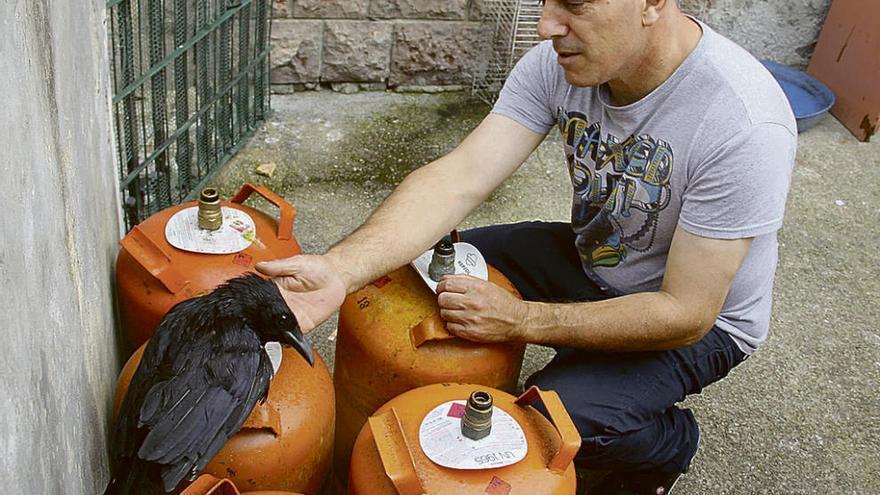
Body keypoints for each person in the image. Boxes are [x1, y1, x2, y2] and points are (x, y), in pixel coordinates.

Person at [257, 0, 797, 493]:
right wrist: (341, 268)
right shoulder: (558, 62)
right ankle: (583, 357)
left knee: (544, 424)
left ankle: (667, 442)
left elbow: (686, 313)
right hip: (594, 257)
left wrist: (521, 320)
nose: (546, 26)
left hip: (696, 319)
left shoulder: (744, 125)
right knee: (417, 268)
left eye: (576, 5)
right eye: (545, 1)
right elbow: (459, 178)